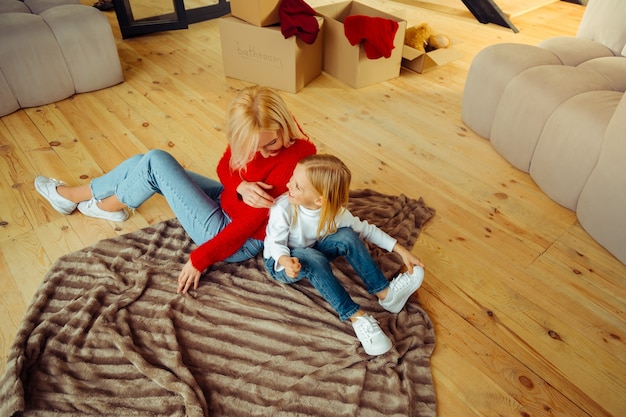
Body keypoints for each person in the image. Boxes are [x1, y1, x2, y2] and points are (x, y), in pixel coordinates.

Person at [34, 85, 317, 294]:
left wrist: (200, 258)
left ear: (283, 125)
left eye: (270, 145)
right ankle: (94, 201)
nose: (263, 154)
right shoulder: (251, 128)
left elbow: (248, 224)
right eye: (253, 148)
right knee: (142, 163)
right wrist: (240, 185)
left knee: (156, 161)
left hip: (233, 235)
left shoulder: (295, 158)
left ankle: (93, 202)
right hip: (227, 199)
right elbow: (223, 167)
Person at [263, 154, 425, 356]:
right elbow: (274, 244)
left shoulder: (334, 212)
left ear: (320, 200)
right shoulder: (283, 208)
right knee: (313, 259)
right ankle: (356, 316)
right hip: (279, 262)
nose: (288, 185)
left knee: (347, 236)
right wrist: (285, 261)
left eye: (297, 186)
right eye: (292, 179)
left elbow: (366, 230)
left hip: (311, 249)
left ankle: (385, 295)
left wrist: (401, 251)